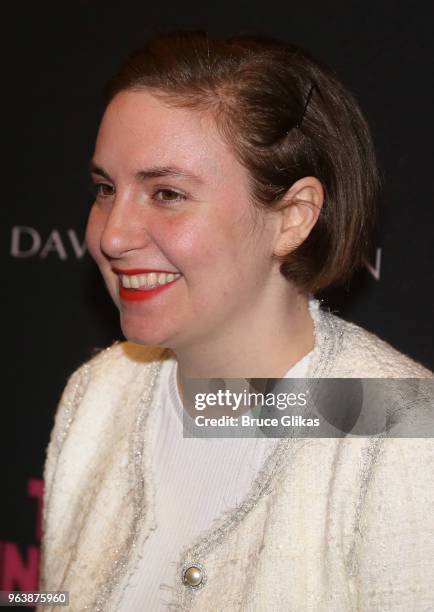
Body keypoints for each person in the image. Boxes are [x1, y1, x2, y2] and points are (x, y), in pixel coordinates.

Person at [37, 30, 434, 611]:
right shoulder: (99, 394)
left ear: (293, 218)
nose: (111, 235)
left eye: (167, 193)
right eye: (105, 188)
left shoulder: (404, 438)